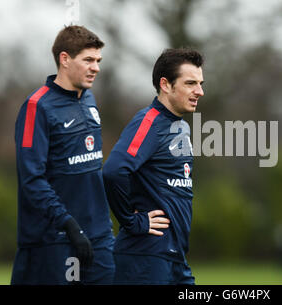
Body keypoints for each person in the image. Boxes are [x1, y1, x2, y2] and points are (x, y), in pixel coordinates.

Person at [11, 25, 115, 285]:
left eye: (98, 61)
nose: (96, 68)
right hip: (55, 240)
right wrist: (68, 223)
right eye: (88, 60)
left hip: (100, 237)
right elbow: (31, 179)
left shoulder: (89, 101)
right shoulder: (37, 107)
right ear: (65, 59)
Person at [102, 48, 204, 285]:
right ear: (166, 85)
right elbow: (113, 171)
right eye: (190, 83)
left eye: (200, 83)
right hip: (145, 259)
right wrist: (132, 220)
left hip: (173, 257)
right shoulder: (149, 123)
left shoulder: (180, 127)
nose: (199, 91)